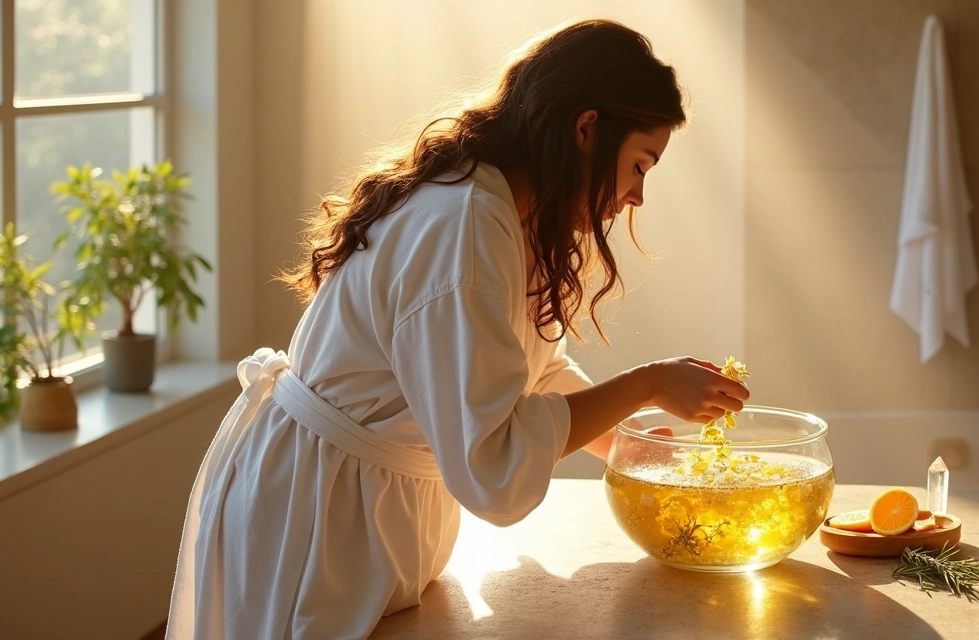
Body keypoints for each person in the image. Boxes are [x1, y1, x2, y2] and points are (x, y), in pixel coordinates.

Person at [166, 18, 750, 639]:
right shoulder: (462, 225)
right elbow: (490, 466)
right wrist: (646, 383)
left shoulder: (504, 210)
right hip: (311, 517)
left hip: (362, 508)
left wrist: (630, 442)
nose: (636, 196)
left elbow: (521, 370)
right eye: (639, 165)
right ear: (587, 129)